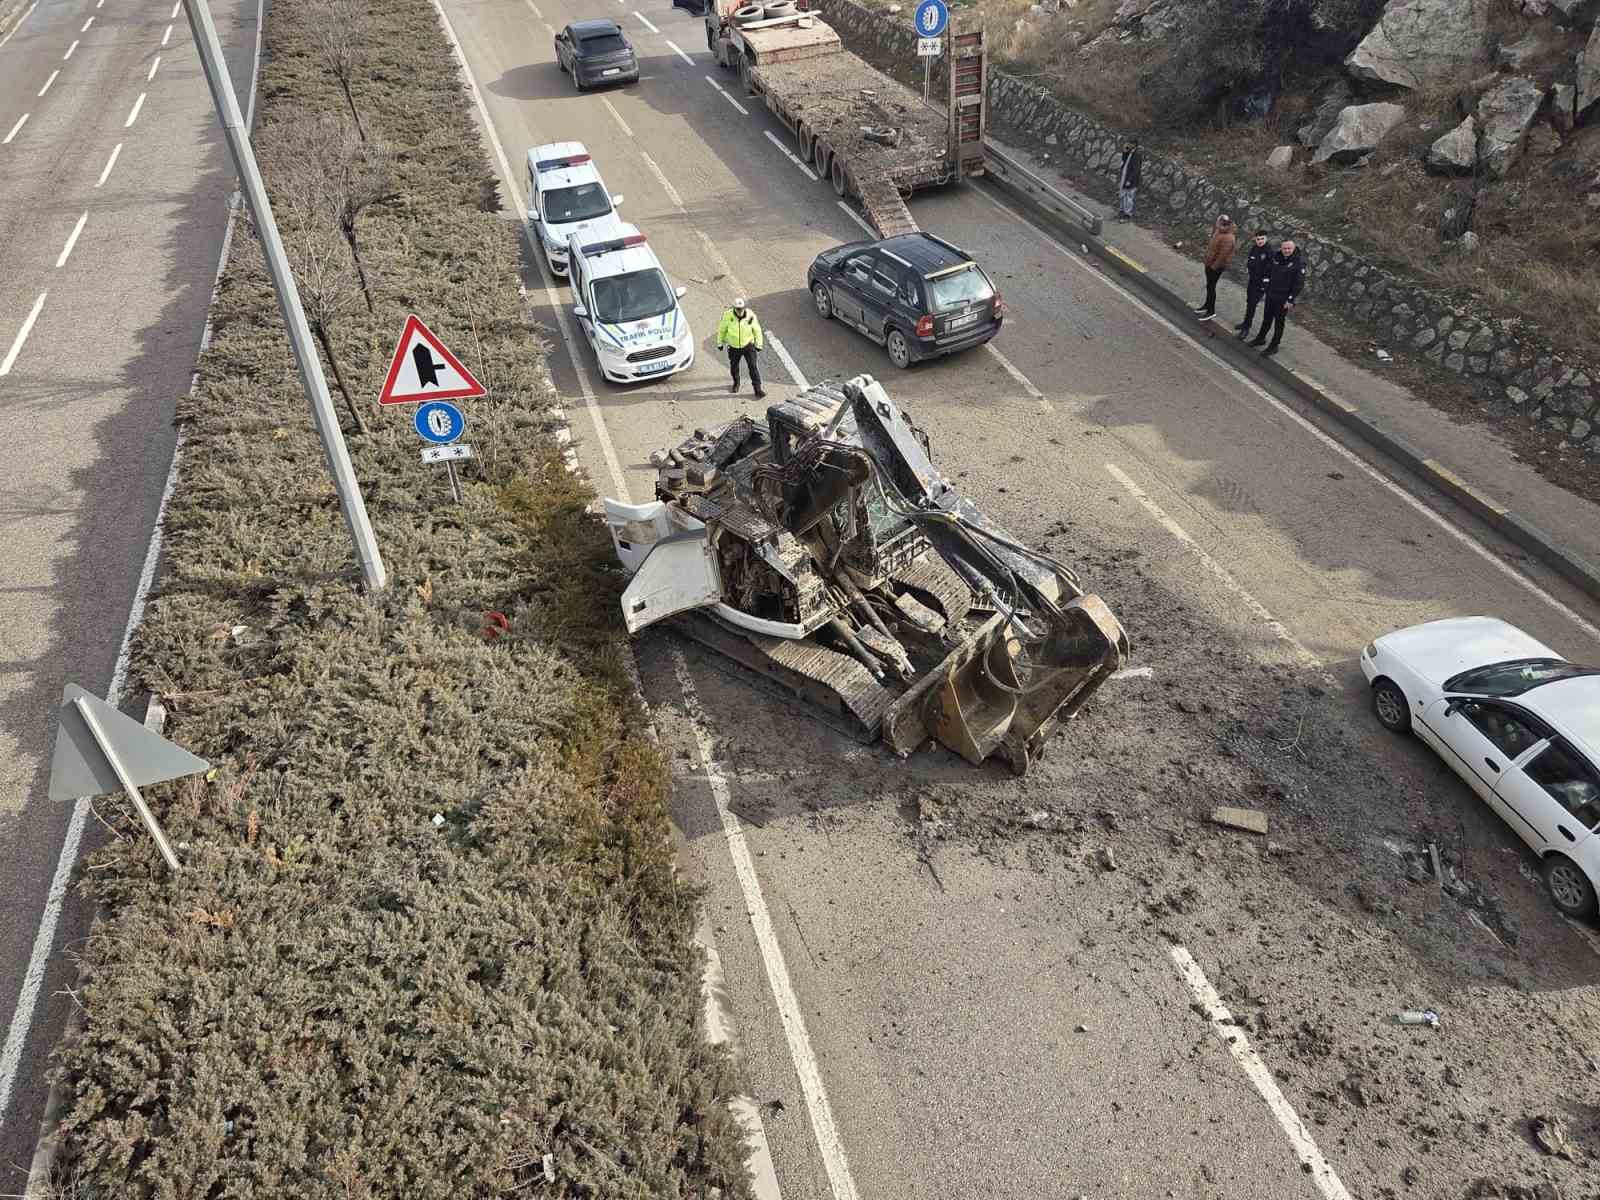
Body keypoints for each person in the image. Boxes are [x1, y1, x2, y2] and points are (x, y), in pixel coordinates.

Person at [1248, 238, 1306, 358]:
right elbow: (1268, 271)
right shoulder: (1276, 257)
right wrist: (1265, 285)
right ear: (1281, 248)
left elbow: (1298, 284)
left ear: (1294, 248)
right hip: (1271, 294)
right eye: (1284, 248)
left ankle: (1274, 345)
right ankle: (1260, 338)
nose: (1287, 250)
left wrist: (1290, 299)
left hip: (1283, 298)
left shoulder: (1298, 263)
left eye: (1289, 248)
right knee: (1266, 319)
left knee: (1279, 323)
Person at [717, 297, 766, 398]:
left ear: (744, 307)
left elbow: (757, 330)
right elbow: (722, 330)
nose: (739, 311)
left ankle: (757, 389)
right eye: (737, 309)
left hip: (748, 345)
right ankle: (736, 383)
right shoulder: (727, 315)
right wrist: (720, 343)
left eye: (741, 308)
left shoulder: (750, 315)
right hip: (733, 347)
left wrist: (759, 344)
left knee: (753, 367)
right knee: (734, 366)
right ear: (734, 308)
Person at [1194, 214, 1235, 321]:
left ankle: (1211, 311)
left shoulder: (1229, 237)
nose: (1217, 224)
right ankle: (1207, 305)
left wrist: (1214, 266)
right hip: (1210, 263)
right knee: (1209, 286)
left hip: (1216, 266)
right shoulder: (1218, 231)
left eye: (1219, 222)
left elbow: (1223, 255)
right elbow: (1212, 247)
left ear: (1223, 223)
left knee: (1211, 287)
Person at [1235, 230, 1272, 340]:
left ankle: (1246, 328)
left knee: (1252, 305)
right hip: (1252, 281)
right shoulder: (1254, 248)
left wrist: (1264, 286)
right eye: (1258, 239)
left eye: (1262, 239)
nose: (1260, 241)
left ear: (1266, 239)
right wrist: (1248, 267)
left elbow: (1270, 270)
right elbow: (1250, 259)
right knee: (1249, 302)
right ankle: (1245, 322)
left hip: (1260, 284)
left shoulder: (1269, 252)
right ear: (1255, 239)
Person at [1117, 139, 1142, 222]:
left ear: (1134, 144)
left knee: (1128, 197)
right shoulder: (1130, 152)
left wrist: (1129, 180)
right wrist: (1125, 151)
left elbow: (1136, 169)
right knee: (1122, 194)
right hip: (1125, 176)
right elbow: (1124, 160)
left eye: (1130, 143)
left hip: (1131, 179)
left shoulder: (1137, 154)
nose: (1128, 144)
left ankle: (1127, 215)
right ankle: (1122, 211)